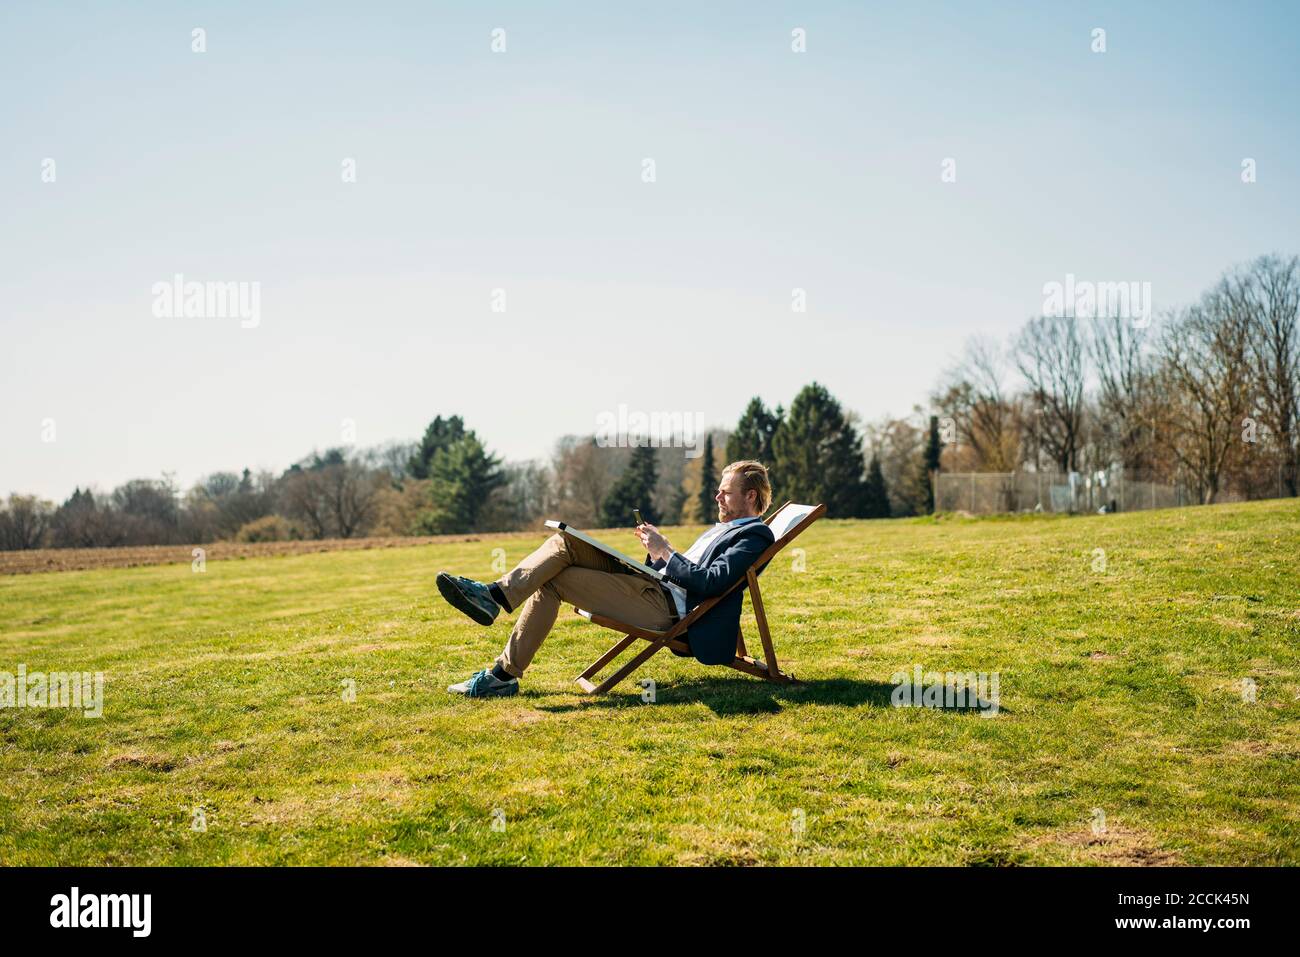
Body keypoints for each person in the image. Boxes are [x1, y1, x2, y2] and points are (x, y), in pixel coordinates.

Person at [437, 460, 776, 697]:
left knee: (554, 580)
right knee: (564, 541)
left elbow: (712, 583)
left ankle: (502, 675)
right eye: (718, 491)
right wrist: (655, 552)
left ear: (750, 496)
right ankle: (493, 595)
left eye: (726, 492)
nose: (717, 497)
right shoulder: (726, 528)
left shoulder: (754, 536)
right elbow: (690, 570)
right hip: (652, 586)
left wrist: (666, 551)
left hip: (666, 609)